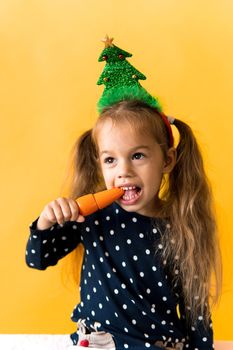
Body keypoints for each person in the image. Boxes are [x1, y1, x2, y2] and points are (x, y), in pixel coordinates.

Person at [26, 38, 221, 350]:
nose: (123, 171)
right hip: (97, 342)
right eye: (110, 159)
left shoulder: (182, 226)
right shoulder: (89, 216)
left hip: (158, 344)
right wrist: (46, 223)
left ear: (167, 160)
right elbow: (37, 259)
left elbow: (196, 310)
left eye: (138, 156)